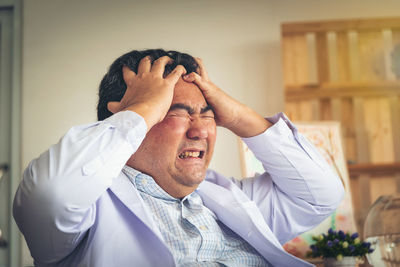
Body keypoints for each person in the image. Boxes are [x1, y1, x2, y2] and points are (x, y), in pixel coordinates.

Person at [13, 49, 344, 267]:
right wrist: (142, 109)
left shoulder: (230, 198)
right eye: (176, 112)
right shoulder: (87, 214)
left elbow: (322, 195)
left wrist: (239, 117)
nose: (201, 130)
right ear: (126, 118)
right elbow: (49, 195)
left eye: (208, 114)